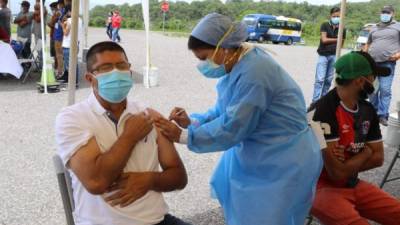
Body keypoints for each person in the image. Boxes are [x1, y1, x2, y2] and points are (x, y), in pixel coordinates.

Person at [154, 13, 323, 225]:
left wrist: (184, 136)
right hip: (261, 152)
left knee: (269, 217)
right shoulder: (238, 64)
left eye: (204, 57)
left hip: (282, 158)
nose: (202, 64)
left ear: (223, 48)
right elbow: (224, 110)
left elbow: (233, 125)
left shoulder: (255, 72)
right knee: (244, 211)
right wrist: (193, 123)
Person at [55, 41, 190, 225]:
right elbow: (96, 182)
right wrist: (130, 136)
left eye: (121, 66)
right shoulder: (73, 118)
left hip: (157, 220)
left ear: (130, 71)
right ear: (89, 78)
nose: (116, 73)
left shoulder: (148, 114)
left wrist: (149, 180)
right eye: (105, 68)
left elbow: (179, 177)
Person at [309, 51, 400, 225]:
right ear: (360, 80)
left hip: (351, 184)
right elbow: (336, 173)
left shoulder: (367, 109)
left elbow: (379, 158)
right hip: (318, 188)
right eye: (373, 77)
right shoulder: (321, 111)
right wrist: (365, 153)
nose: (375, 82)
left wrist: (349, 163)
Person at [364, 5, 400, 126]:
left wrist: (398, 55)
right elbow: (368, 43)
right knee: (371, 90)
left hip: (387, 63)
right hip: (372, 64)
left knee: (385, 89)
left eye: (387, 12)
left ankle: (383, 115)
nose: (385, 14)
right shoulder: (374, 27)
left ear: (392, 14)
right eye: (383, 12)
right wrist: (364, 55)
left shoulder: (398, 26)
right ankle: (374, 111)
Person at [312, 6, 346, 103]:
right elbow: (324, 39)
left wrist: (337, 40)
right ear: (330, 16)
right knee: (320, 79)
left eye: (338, 16)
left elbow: (341, 45)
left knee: (328, 80)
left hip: (334, 56)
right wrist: (337, 39)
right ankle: (315, 102)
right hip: (323, 55)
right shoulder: (325, 25)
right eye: (334, 16)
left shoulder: (342, 28)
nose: (336, 18)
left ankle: (323, 101)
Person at [60, 5, 82, 85]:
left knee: (69, 65)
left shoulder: (70, 20)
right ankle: (74, 81)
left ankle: (72, 82)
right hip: (75, 44)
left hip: (68, 45)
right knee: (74, 63)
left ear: (69, 11)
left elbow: (66, 33)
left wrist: (62, 26)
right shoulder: (79, 20)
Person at [48, 2, 59, 72]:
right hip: (52, 35)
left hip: (56, 36)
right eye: (51, 9)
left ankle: (56, 66)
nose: (52, 10)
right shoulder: (54, 15)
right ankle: (56, 65)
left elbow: (54, 25)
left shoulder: (57, 15)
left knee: (56, 52)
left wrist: (49, 24)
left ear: (55, 7)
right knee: (53, 52)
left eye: (52, 8)